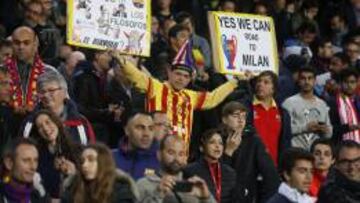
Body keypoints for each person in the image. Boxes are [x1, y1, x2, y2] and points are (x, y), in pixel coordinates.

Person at [112, 52, 239, 146]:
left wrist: (234, 82)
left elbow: (212, 98)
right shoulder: (156, 86)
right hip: (154, 148)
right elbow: (136, 76)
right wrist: (120, 59)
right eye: (178, 74)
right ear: (169, 73)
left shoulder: (191, 96)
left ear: (190, 79)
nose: (181, 79)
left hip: (180, 153)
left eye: (185, 76)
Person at [220, 101, 280, 203]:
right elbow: (215, 176)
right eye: (236, 116)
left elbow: (271, 176)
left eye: (243, 116)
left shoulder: (253, 140)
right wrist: (228, 152)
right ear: (224, 119)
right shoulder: (216, 140)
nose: (240, 120)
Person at [22, 71, 95, 144]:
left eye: (51, 90)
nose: (46, 95)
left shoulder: (81, 122)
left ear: (64, 92)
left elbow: (90, 150)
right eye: (42, 92)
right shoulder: (30, 123)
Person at [136, 135, 216, 203]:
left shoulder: (194, 185)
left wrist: (206, 198)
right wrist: (158, 194)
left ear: (185, 158)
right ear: (159, 155)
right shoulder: (144, 184)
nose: (176, 158)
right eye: (171, 153)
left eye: (181, 154)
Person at [61, 143, 139, 203]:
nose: (84, 165)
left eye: (91, 160)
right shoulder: (72, 188)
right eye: (82, 161)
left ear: (103, 162)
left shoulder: (121, 191)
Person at [243, 71, 292, 165]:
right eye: (259, 81)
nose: (260, 84)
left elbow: (286, 143)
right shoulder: (245, 107)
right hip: (250, 167)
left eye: (266, 82)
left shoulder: (283, 113)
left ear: (273, 89)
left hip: (274, 168)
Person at [73, 49, 122, 143]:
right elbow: (81, 110)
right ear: (97, 55)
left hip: (102, 131)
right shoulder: (84, 78)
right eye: (108, 54)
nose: (111, 58)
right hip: (91, 133)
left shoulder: (103, 77)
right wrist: (106, 112)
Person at [4, 26, 56, 114]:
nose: (21, 47)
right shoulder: (2, 71)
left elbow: (60, 103)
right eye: (17, 43)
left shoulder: (50, 73)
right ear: (12, 44)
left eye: (26, 43)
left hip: (39, 123)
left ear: (35, 43)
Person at [29, 110, 78, 200]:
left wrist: (74, 174)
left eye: (48, 122)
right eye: (40, 127)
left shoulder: (77, 149)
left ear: (56, 122)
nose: (46, 128)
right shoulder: (36, 156)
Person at [282, 67, 332, 150]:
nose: (307, 82)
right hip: (296, 152)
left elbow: (329, 134)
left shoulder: (322, 104)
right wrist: (305, 128)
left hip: (316, 153)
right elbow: (284, 130)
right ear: (298, 81)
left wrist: (325, 130)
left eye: (310, 78)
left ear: (315, 81)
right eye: (303, 78)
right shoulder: (289, 103)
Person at [184, 129, 236, 203]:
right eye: (212, 142)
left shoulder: (230, 173)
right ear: (201, 148)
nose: (217, 146)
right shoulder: (190, 170)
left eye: (220, 143)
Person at [112, 112, 159, 180]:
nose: (146, 134)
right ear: (127, 130)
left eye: (150, 129)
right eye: (140, 128)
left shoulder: (161, 160)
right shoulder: (110, 158)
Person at [0, 138, 48, 202]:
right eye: (26, 160)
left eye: (35, 160)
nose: (33, 167)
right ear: (9, 163)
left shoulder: (39, 197)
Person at [327, 68, 360, 145]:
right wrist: (347, 128)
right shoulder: (333, 103)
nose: (349, 85)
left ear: (357, 83)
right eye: (346, 82)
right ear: (340, 83)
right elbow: (329, 129)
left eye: (352, 82)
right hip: (340, 145)